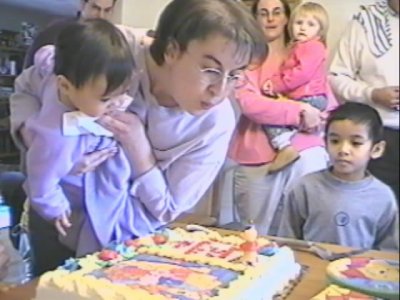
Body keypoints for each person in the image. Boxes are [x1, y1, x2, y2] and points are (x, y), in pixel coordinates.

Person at [10, 0, 267, 276]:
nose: (220, 90)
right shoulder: (114, 48)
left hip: (127, 243)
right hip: (58, 215)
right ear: (171, 50)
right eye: (210, 70)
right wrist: (45, 144)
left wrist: (140, 153)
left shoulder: (216, 123)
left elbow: (168, 209)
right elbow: (29, 85)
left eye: (235, 75)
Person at [15, 18, 135, 259]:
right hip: (75, 206)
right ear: (66, 86)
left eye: (122, 94)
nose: (117, 104)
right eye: (105, 100)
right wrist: (56, 210)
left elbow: (46, 59)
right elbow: (42, 185)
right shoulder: (55, 137)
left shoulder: (57, 71)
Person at [215, 0, 337, 236]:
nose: (270, 18)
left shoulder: (306, 53)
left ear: (287, 18)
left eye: (277, 12)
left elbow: (327, 103)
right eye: (263, 13)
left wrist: (320, 116)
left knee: (303, 231)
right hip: (257, 158)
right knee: (255, 235)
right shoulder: (245, 58)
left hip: (306, 152)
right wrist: (298, 111)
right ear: (255, 19)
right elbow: (251, 103)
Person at [278, 102, 399, 251]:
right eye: (335, 141)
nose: (343, 150)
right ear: (326, 143)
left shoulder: (382, 196)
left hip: (359, 271)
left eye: (356, 143)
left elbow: (387, 252)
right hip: (312, 270)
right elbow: (287, 240)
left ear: (376, 149)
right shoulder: (305, 187)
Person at [329, 0, 399, 202]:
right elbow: (336, 76)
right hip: (377, 137)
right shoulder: (363, 23)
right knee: (369, 212)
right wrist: (372, 94)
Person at [261, 2, 330, 173]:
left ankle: (284, 146)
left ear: (320, 31)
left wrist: (277, 85)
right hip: (305, 98)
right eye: (299, 23)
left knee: (272, 116)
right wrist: (273, 82)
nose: (303, 28)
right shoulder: (296, 47)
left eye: (311, 24)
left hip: (309, 98)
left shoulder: (314, 47)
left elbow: (301, 73)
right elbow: (286, 70)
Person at [23, 0, 118, 69]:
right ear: (82, 4)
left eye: (107, 10)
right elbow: (29, 72)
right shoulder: (55, 32)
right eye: (95, 8)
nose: (101, 16)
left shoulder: (113, 42)